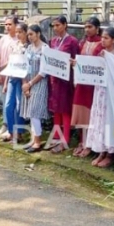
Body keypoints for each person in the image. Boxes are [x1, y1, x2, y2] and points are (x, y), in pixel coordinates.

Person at [87, 26, 114, 168]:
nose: (103, 40)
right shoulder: (101, 53)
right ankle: (101, 149)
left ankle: (110, 152)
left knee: (108, 119)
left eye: (106, 38)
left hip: (110, 91)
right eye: (102, 38)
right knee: (99, 118)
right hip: (99, 89)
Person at [47, 15, 80, 152]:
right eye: (53, 26)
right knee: (56, 107)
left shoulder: (72, 41)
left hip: (66, 79)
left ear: (65, 25)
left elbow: (77, 59)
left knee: (65, 107)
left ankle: (65, 138)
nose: (55, 28)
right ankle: (56, 134)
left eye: (58, 25)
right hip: (54, 78)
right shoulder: (53, 41)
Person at [71, 17, 103, 157]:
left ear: (97, 28)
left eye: (90, 27)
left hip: (93, 85)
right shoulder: (82, 43)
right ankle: (82, 141)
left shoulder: (102, 44)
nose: (87, 30)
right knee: (80, 111)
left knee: (92, 113)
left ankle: (90, 144)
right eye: (85, 27)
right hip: (81, 83)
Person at [21, 24, 50, 153]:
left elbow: (43, 71)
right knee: (30, 113)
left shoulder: (45, 48)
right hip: (28, 81)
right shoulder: (28, 48)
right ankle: (33, 139)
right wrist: (25, 83)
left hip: (39, 82)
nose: (30, 37)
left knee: (35, 112)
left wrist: (30, 83)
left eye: (32, 34)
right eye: (28, 34)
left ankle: (37, 141)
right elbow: (24, 66)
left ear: (38, 34)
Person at [0, 22, 29, 145]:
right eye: (16, 32)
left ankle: (19, 133)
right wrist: (6, 82)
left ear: (25, 32)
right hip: (12, 77)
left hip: (22, 78)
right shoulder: (15, 45)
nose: (18, 34)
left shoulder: (28, 47)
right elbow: (11, 64)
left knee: (18, 105)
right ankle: (11, 131)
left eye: (20, 32)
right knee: (8, 105)